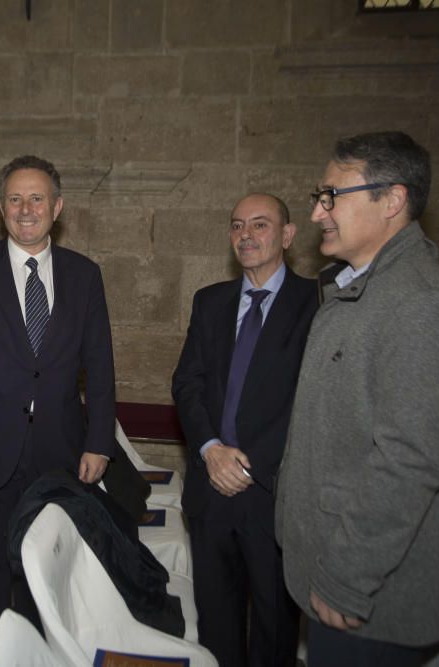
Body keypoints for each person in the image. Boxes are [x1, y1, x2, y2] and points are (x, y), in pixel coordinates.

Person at [275, 131, 439, 667]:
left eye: (333, 196)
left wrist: (347, 580)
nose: (321, 211)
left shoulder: (422, 305)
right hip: (338, 581)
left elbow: (408, 462)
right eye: (318, 196)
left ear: (392, 200)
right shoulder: (359, 290)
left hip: (370, 601)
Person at [0, 154, 116, 651]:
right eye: (15, 199)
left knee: (49, 564)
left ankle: (47, 651)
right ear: (1, 209)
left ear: (57, 207)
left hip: (61, 452)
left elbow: (102, 366)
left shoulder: (85, 275)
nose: (26, 209)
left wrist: (100, 442)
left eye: (37, 198)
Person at [172, 193, 316, 666]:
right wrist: (212, 449)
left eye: (259, 225)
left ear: (288, 236)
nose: (246, 236)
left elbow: (310, 402)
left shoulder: (315, 304)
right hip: (211, 488)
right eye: (237, 226)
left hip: (272, 492)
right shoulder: (210, 301)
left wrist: (250, 463)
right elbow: (187, 384)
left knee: (275, 627)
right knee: (216, 620)